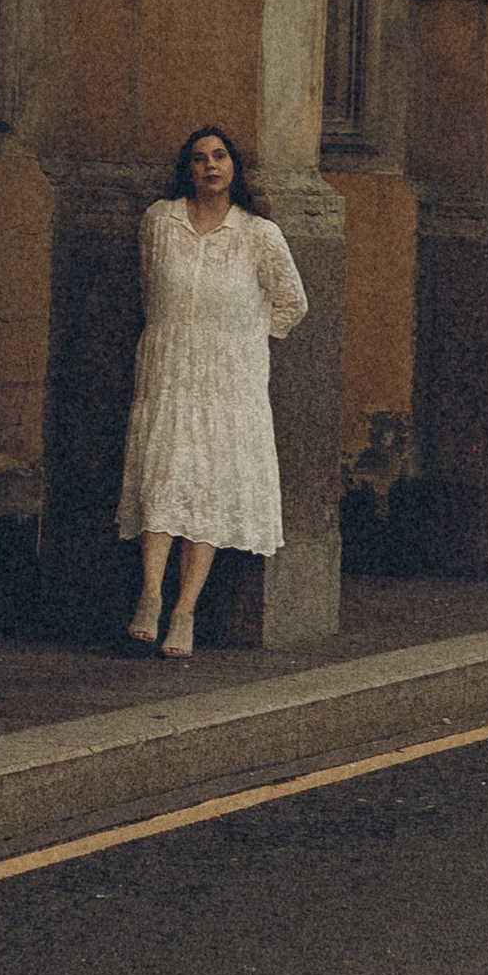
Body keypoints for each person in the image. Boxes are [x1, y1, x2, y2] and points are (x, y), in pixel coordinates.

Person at [118, 124, 308, 657]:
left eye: (220, 156)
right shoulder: (160, 221)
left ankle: (185, 612)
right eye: (200, 158)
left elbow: (292, 303)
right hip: (169, 370)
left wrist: (244, 340)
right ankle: (151, 596)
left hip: (229, 382)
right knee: (162, 474)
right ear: (188, 169)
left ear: (234, 167)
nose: (210, 166)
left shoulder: (259, 234)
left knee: (207, 488)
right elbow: (149, 289)